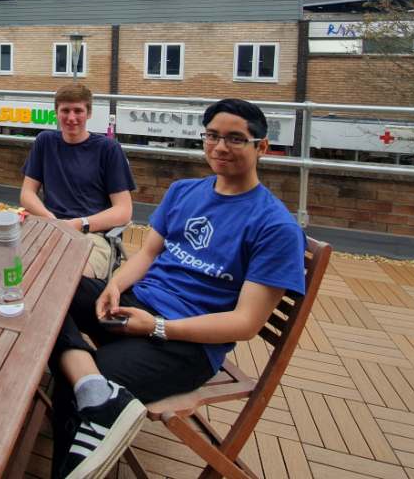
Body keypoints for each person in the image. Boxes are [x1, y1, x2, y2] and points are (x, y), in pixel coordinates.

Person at [48, 98, 306, 479]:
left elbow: (246, 323)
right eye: (213, 136)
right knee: (45, 295)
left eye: (235, 139)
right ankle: (94, 389)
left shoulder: (275, 226)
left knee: (72, 389)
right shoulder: (185, 191)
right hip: (137, 307)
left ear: (261, 147)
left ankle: (82, 419)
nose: (220, 147)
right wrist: (113, 286)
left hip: (188, 344)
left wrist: (156, 327)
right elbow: (149, 254)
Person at [20, 84, 135, 279]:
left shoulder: (108, 149)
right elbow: (27, 193)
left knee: (66, 278)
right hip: (49, 228)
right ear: (56, 112)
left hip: (92, 236)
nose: (71, 118)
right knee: (9, 263)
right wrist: (52, 219)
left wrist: (80, 224)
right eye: (65, 110)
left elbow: (124, 211)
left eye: (78, 111)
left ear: (89, 113)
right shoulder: (45, 142)